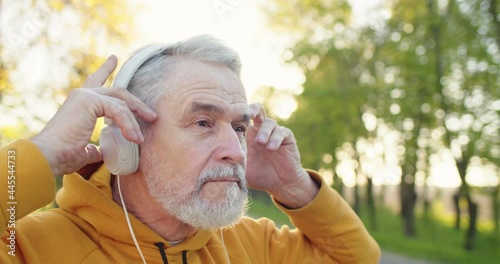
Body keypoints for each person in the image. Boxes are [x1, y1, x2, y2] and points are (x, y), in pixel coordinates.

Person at [0, 35, 380, 263]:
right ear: (126, 140)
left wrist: (294, 186)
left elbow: (358, 258)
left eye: (238, 126)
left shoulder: (249, 244)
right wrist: (43, 152)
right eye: (203, 123)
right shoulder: (31, 248)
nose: (235, 148)